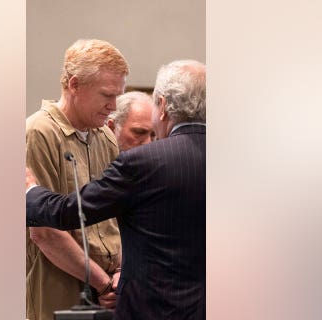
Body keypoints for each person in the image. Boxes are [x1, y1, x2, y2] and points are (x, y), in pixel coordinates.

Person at [26, 59, 206, 319]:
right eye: (107, 95)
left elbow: (70, 212)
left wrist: (30, 191)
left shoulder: (144, 162)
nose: (111, 106)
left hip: (151, 311)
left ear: (163, 106)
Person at [25, 39, 129, 320]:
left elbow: (119, 216)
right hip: (59, 287)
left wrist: (120, 273)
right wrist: (104, 283)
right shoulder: (39, 132)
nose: (113, 106)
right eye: (107, 95)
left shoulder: (105, 136)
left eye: (118, 95)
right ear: (74, 85)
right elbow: (43, 231)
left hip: (108, 291)